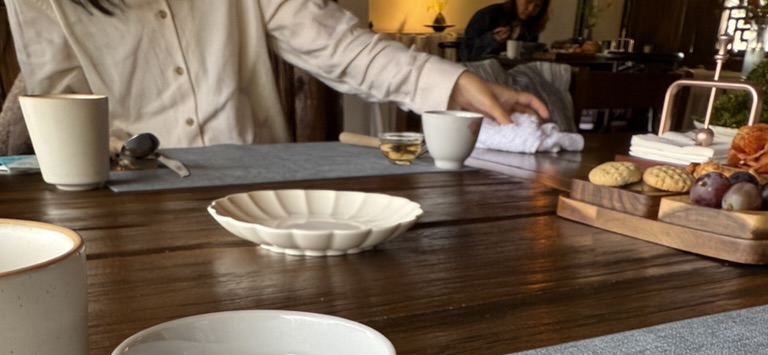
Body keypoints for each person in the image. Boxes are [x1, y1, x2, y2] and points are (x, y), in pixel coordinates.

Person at [5, 0, 548, 149]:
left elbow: (337, 45)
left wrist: (453, 84)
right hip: (131, 201)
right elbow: (62, 106)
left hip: (259, 195)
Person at [460, 0, 551, 63]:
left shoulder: (531, 25)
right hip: (481, 75)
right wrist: (492, 39)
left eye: (538, 5)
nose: (531, 9)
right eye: (528, 1)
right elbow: (466, 54)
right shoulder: (488, 15)